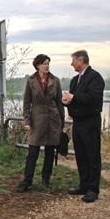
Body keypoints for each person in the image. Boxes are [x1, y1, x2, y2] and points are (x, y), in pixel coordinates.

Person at [17, 54, 65, 192]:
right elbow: (26, 103)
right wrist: (27, 121)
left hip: (53, 119)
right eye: (44, 63)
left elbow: (59, 102)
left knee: (50, 152)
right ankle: (27, 181)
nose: (47, 65)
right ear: (37, 65)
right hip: (37, 119)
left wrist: (61, 121)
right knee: (33, 151)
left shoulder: (55, 80)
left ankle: (46, 179)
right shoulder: (31, 81)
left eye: (48, 63)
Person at [62, 50, 105, 203]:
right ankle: (84, 184)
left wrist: (74, 97)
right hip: (78, 122)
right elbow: (75, 99)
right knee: (80, 153)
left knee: (92, 154)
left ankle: (93, 189)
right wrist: (66, 102)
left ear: (81, 61)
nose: (71, 63)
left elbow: (93, 98)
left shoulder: (95, 78)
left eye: (73, 60)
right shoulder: (75, 80)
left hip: (90, 121)